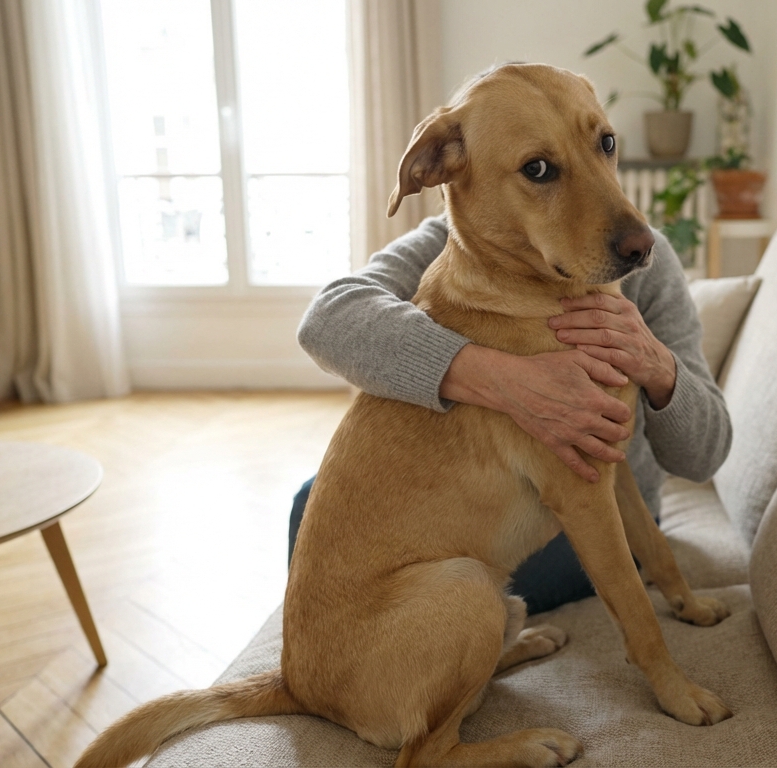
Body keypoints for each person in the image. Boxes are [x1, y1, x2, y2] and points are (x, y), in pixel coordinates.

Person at [289, 217, 732, 614]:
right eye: (537, 171)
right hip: (469, 496)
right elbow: (328, 319)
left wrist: (658, 365)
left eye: (604, 146)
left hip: (595, 516)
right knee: (309, 507)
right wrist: (500, 378)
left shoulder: (640, 253)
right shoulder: (455, 238)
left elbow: (704, 454)